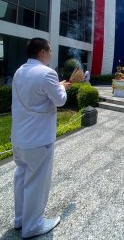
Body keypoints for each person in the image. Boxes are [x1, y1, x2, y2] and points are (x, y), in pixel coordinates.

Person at [11, 38, 71, 238]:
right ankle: (33, 225)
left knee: (21, 178)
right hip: (39, 139)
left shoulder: (19, 71)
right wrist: (63, 87)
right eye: (50, 50)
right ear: (42, 52)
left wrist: (57, 85)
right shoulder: (47, 73)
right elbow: (60, 100)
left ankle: (20, 220)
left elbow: (34, 95)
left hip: (19, 138)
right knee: (37, 183)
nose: (51, 54)